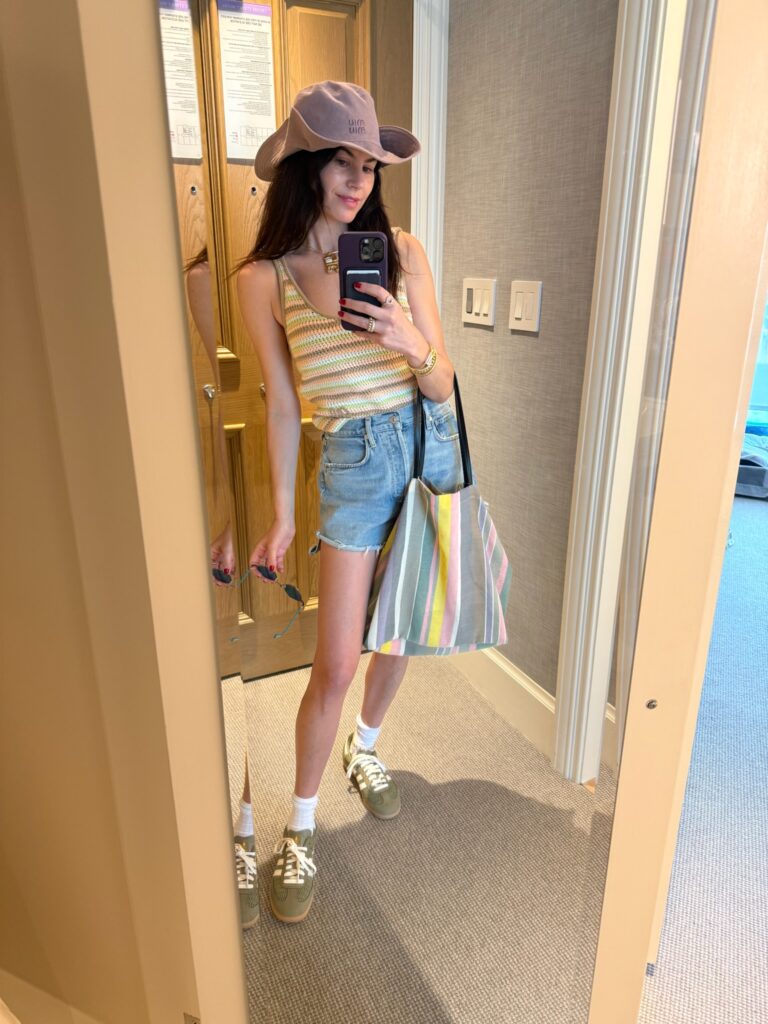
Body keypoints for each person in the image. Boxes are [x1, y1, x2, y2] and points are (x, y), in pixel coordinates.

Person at [233, 80, 462, 924]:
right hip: (352, 465)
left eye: (369, 165)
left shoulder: (402, 252)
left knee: (399, 631)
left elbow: (443, 382)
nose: (359, 180)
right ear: (306, 167)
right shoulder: (264, 277)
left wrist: (409, 339)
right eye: (342, 161)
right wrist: (283, 514)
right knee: (333, 662)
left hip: (421, 450)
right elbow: (281, 403)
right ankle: (299, 827)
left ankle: (365, 747)